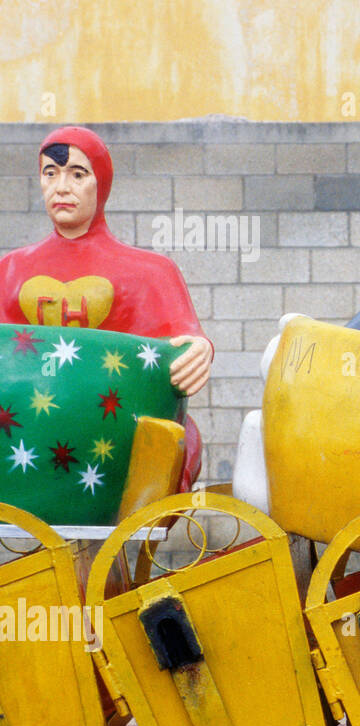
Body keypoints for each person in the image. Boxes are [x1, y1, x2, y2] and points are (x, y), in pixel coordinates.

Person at [0, 126, 212, 488]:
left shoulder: (150, 272)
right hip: (27, 446)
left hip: (113, 446)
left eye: (77, 174)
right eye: (50, 173)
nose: (61, 187)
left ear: (101, 184)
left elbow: (185, 337)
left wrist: (198, 349)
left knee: (172, 439)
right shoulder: (11, 270)